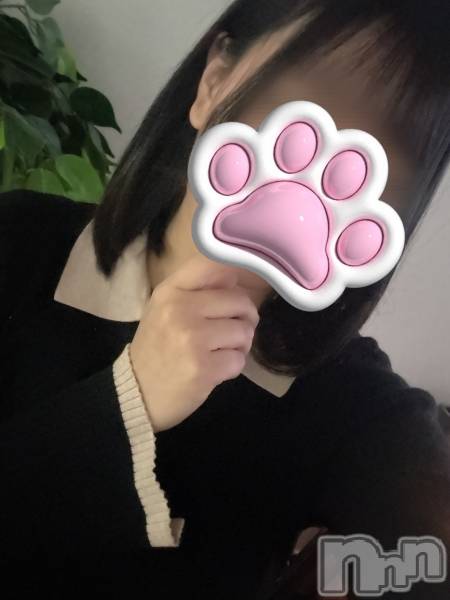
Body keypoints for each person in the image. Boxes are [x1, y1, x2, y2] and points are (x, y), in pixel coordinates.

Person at [0, 0, 449, 598]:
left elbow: (427, 545)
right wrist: (129, 400)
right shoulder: (16, 243)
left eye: (392, 147)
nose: (340, 150)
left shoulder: (354, 404)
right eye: (319, 92)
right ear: (214, 80)